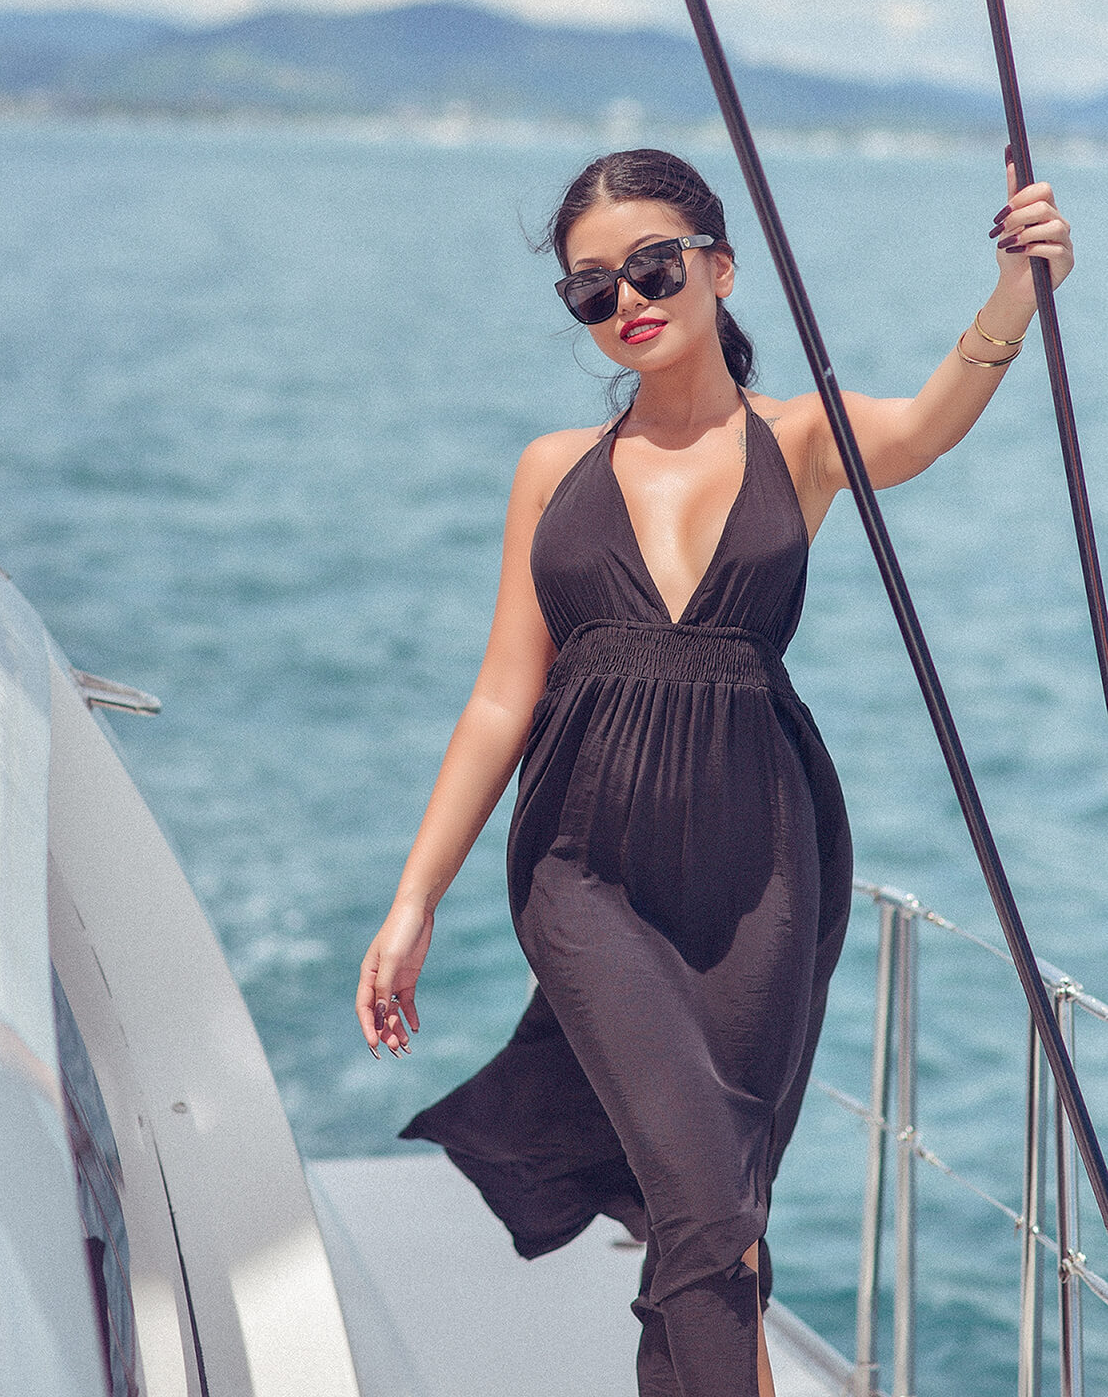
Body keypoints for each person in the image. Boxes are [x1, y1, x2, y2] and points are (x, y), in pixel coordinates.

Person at [355, 146, 1073, 1397]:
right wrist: (415, 896)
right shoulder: (552, 471)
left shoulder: (798, 441)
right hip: (582, 868)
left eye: (651, 264)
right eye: (592, 288)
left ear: (717, 266)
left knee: (719, 1208)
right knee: (698, 1192)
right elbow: (499, 693)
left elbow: (920, 425)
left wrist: (1015, 290)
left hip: (759, 868)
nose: (627, 298)